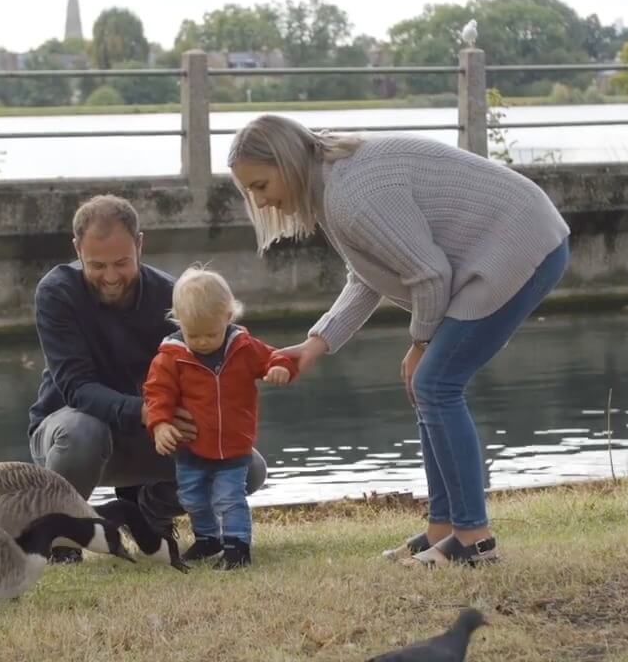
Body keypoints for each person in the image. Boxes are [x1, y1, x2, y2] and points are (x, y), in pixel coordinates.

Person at [225, 115, 570, 567]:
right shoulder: (332, 184)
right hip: (503, 244)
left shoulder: (351, 195)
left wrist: (421, 343)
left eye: (260, 184)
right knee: (429, 385)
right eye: (249, 191)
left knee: (435, 384)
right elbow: (369, 275)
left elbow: (428, 274)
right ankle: (443, 529)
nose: (260, 200)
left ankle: (475, 540)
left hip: (520, 244)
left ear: (287, 162)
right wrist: (316, 344)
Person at [27, 195, 269, 560]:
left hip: (153, 432)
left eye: (122, 262)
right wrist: (146, 411)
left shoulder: (171, 297)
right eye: (97, 265)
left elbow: (219, 358)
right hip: (71, 435)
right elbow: (76, 388)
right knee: (82, 430)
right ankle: (62, 536)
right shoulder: (56, 292)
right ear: (77, 249)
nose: (110, 277)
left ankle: (151, 508)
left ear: (140, 244)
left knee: (249, 468)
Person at [143, 266, 298, 569]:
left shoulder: (243, 347)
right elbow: (157, 393)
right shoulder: (171, 355)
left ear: (228, 317)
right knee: (192, 498)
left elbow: (274, 356)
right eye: (193, 334)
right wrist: (160, 424)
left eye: (210, 334)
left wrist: (281, 367)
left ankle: (237, 546)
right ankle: (207, 538)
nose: (201, 341)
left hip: (233, 446)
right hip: (190, 447)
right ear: (178, 321)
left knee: (229, 498)